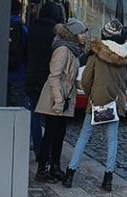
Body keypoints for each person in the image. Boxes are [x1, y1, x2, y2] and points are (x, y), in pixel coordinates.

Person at [63, 19, 127, 192]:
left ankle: (70, 173)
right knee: (112, 140)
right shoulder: (126, 57)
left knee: (84, 137)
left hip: (97, 102)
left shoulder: (97, 55)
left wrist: (92, 95)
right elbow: (126, 82)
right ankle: (108, 179)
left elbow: (87, 80)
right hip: (115, 103)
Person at [34, 17, 88, 183]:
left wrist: (82, 86)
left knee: (59, 134)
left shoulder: (72, 49)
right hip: (55, 98)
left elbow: (68, 77)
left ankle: (55, 167)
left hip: (65, 97)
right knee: (50, 134)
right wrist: (58, 100)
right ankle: (42, 170)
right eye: (81, 32)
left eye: (85, 32)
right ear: (73, 34)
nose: (85, 35)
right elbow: (55, 76)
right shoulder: (63, 50)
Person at [25, 1, 64, 164]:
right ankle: (45, 153)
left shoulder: (31, 29)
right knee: (50, 119)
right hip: (48, 80)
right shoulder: (55, 36)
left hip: (31, 78)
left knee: (34, 113)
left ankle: (38, 146)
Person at [7, 0, 28, 106]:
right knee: (20, 105)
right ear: (20, 11)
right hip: (19, 72)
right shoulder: (23, 28)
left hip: (0, 73)